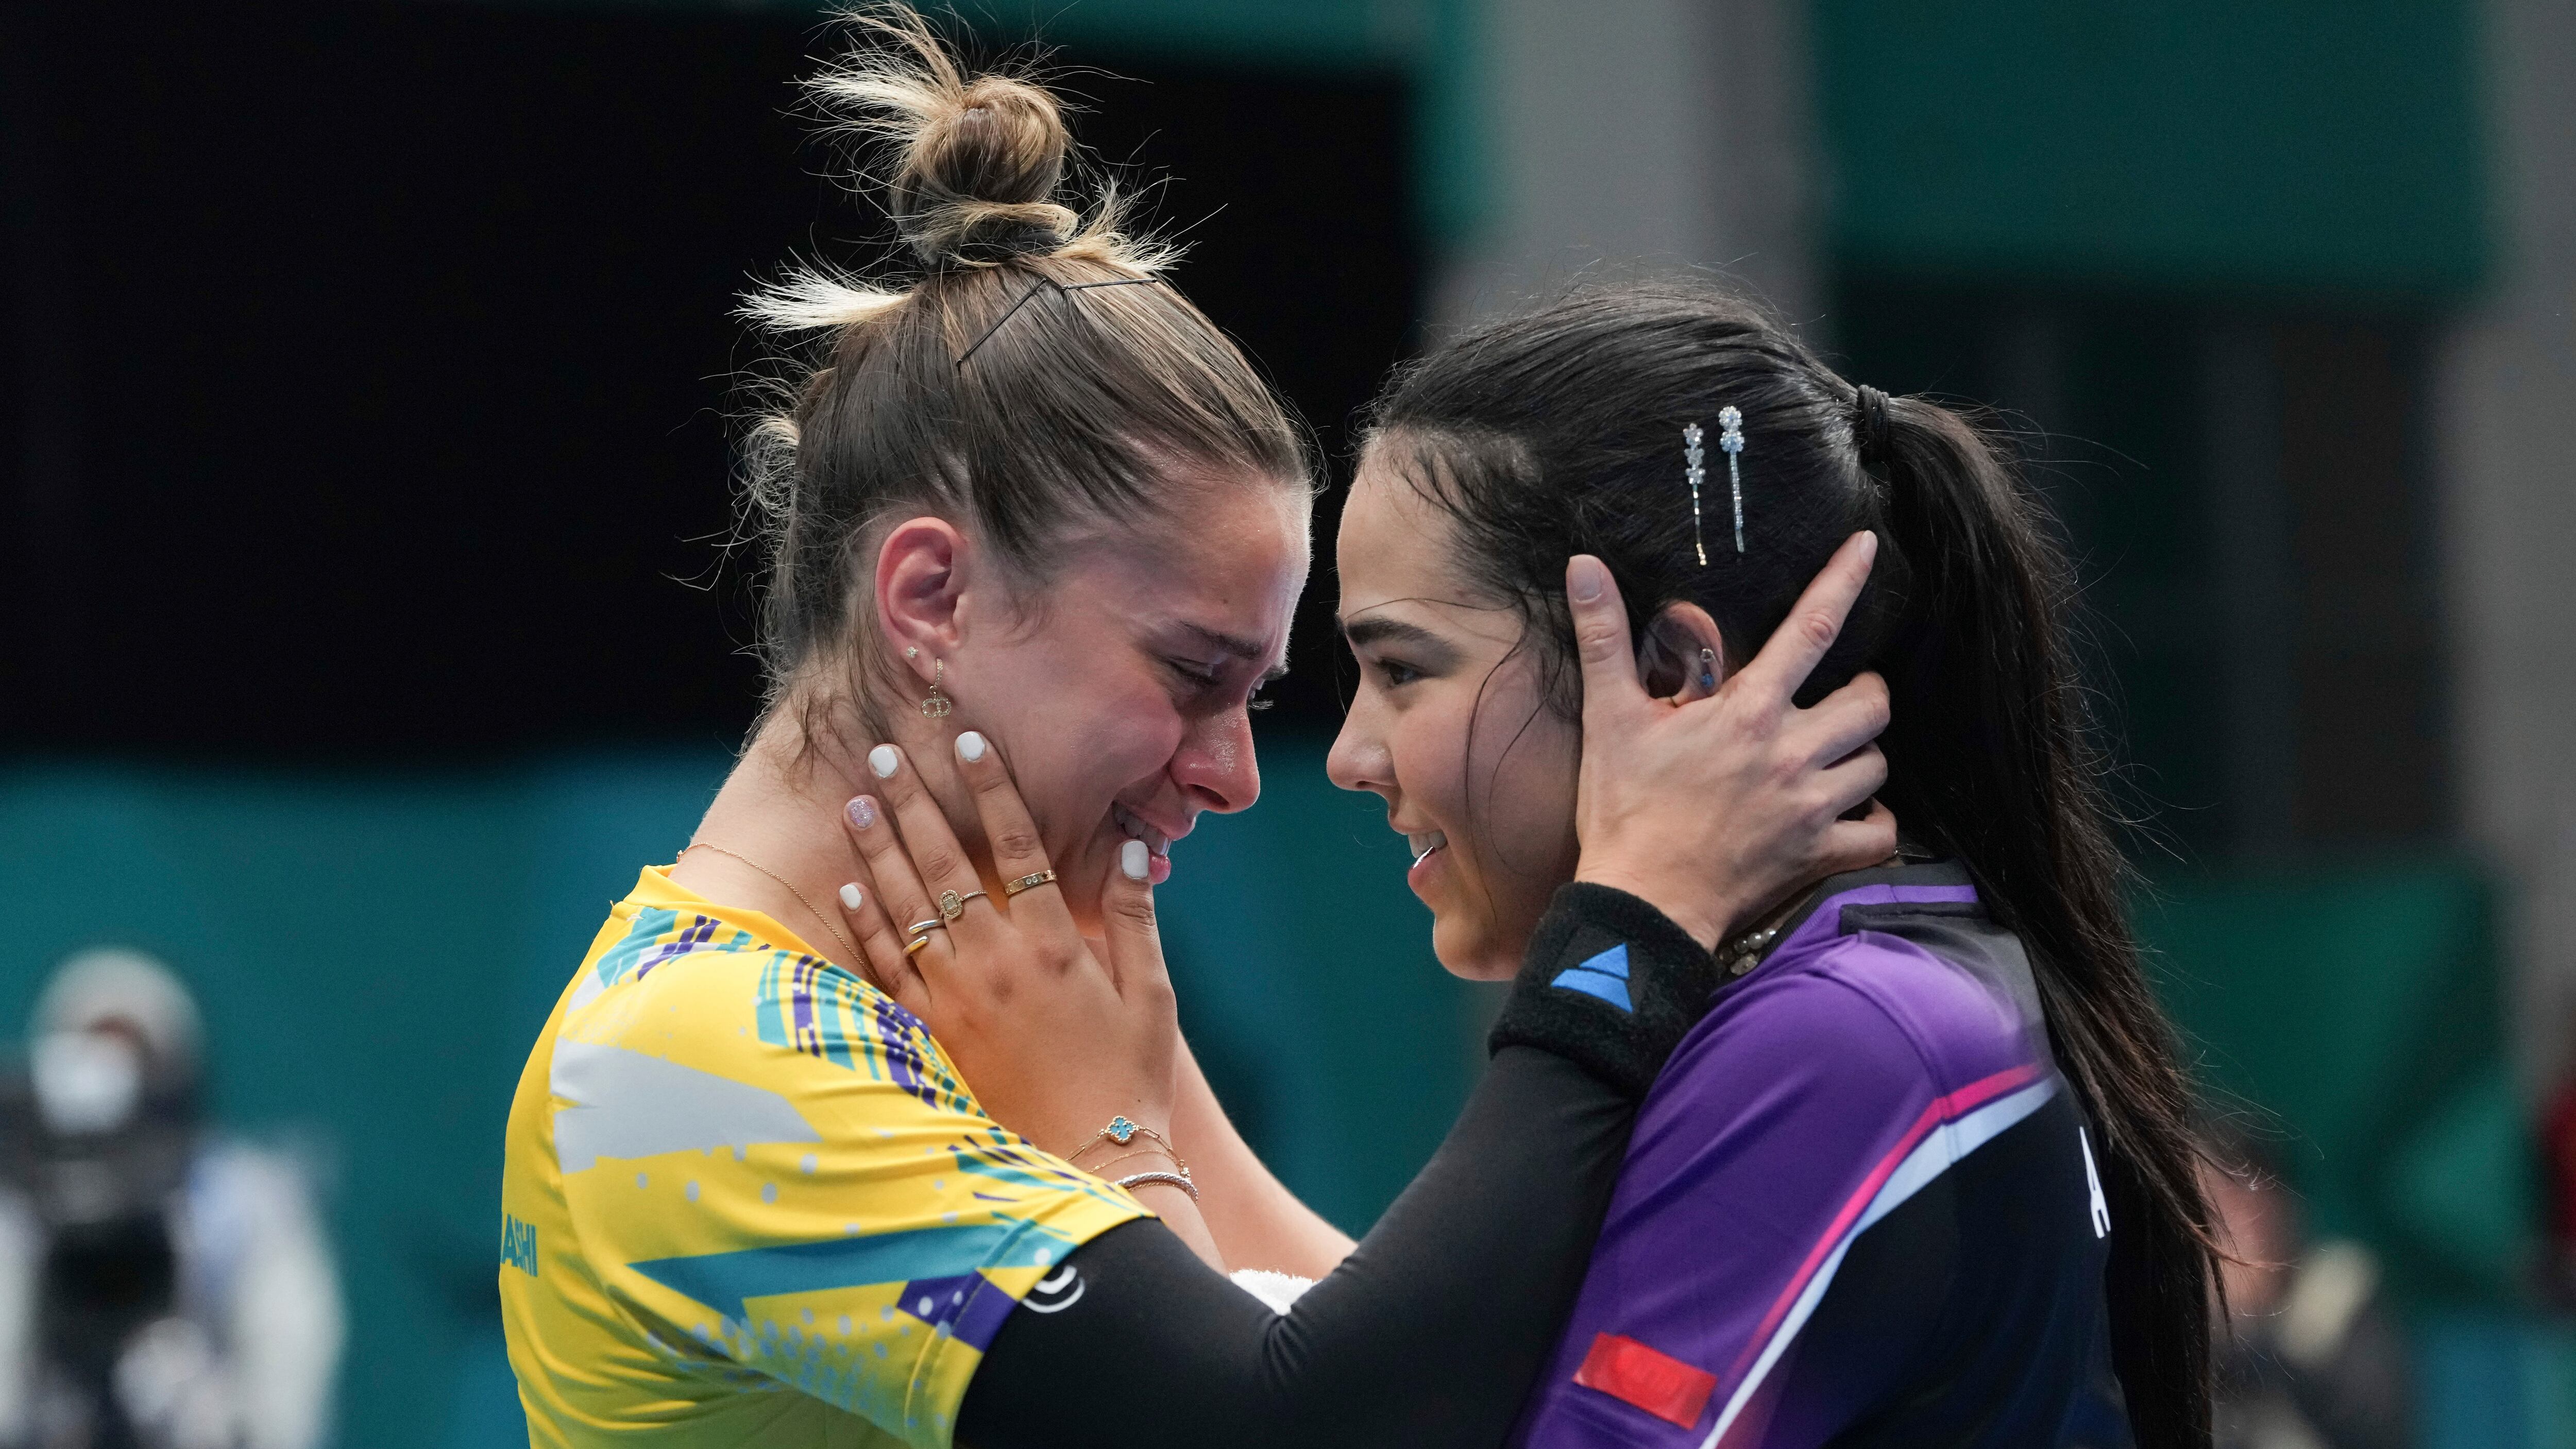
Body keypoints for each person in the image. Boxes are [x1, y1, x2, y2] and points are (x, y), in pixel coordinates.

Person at [497, 12, 1896, 1448]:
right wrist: (1630, 923)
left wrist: (1143, 1092)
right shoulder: (703, 1058)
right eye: (1188, 671)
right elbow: (1299, 1427)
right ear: (931, 595)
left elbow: (1400, 1390)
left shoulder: (986, 976)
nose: (1232, 774)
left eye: (1258, 696)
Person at [1282, 283, 2216, 1447]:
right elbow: (1394, 1376)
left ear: (1672, 668)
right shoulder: (1840, 991)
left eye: (1404, 668)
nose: (1348, 753)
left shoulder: (1847, 1034)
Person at [0, 948, 343, 1449]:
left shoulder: (242, 1205)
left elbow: (289, 1403)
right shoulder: (14, 1212)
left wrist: (202, 1408)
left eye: (134, 1066)